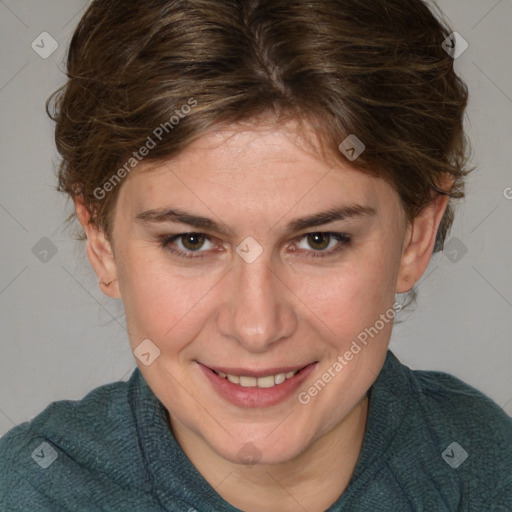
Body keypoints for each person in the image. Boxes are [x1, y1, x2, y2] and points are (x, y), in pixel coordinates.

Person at [1, 0, 511, 510]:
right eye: (191, 241)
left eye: (320, 240)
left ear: (417, 236)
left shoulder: (487, 469)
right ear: (102, 243)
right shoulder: (26, 492)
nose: (257, 327)